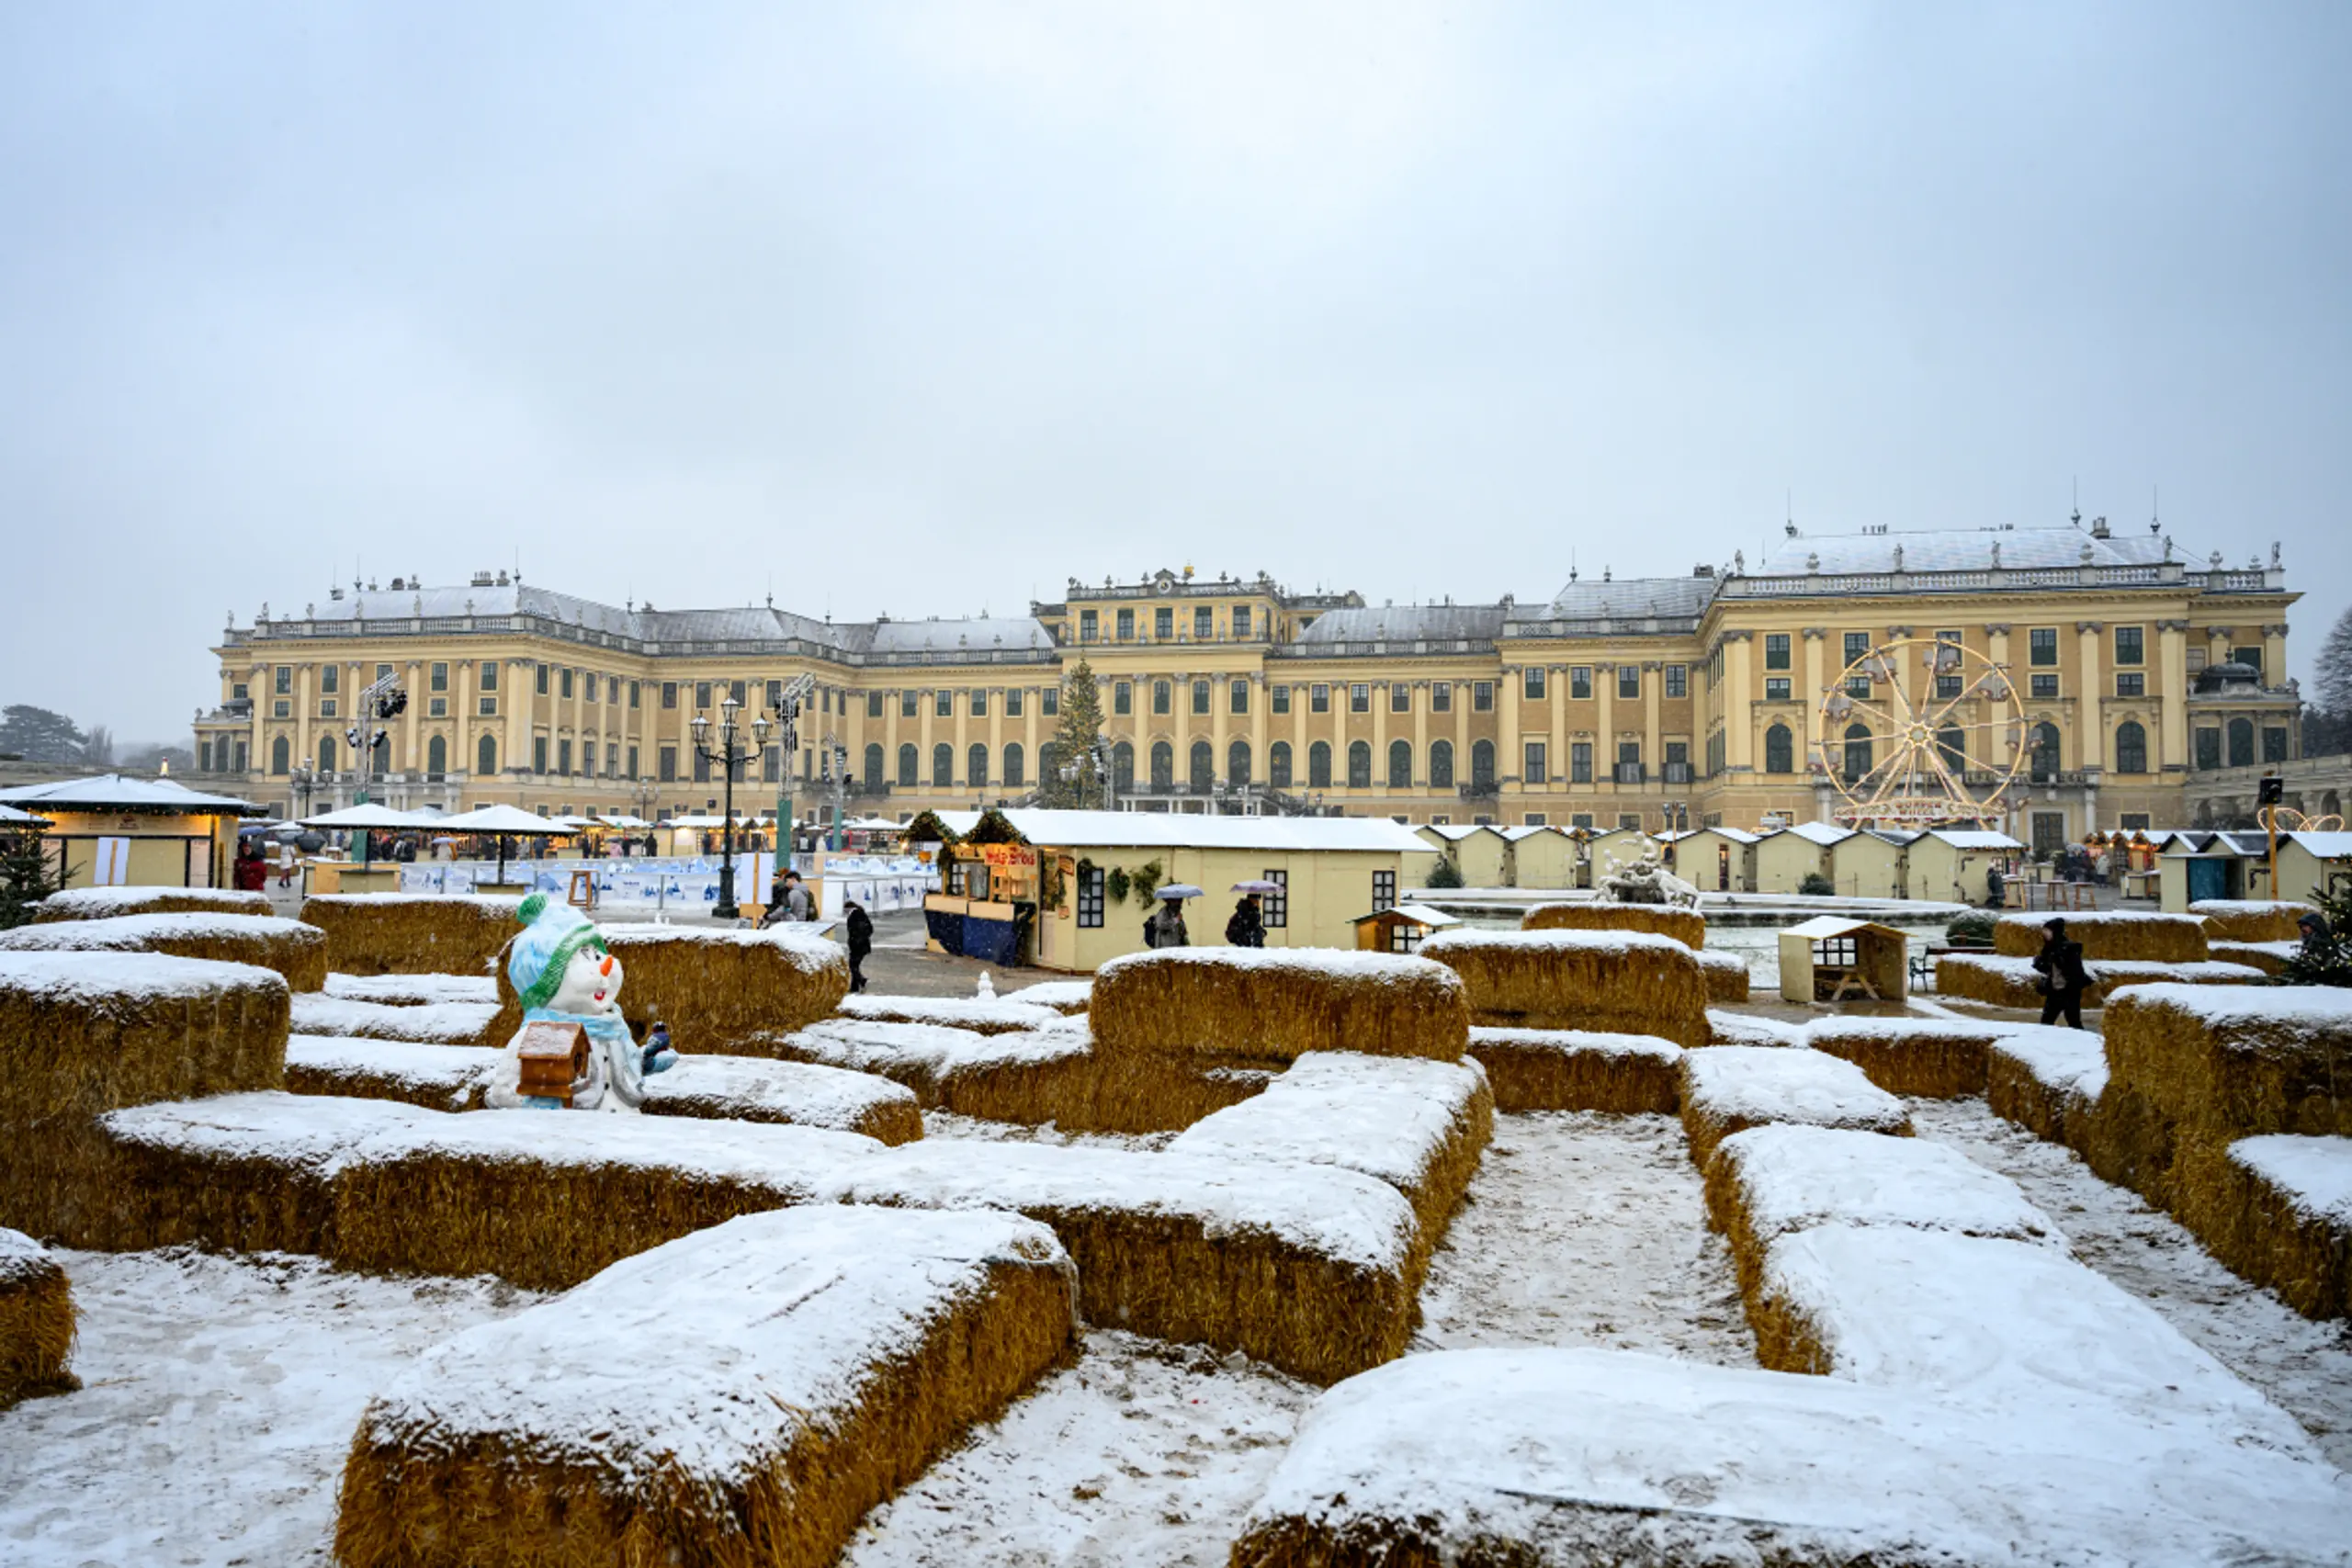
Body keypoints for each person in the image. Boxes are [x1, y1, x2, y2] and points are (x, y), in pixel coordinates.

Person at [2032, 916, 2090, 1030]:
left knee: (2074, 1022)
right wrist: (2039, 963)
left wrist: (2058, 960)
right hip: (2054, 991)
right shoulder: (2048, 948)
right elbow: (2048, 969)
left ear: (2055, 932)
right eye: (2044, 932)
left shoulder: (2069, 949)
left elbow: (2076, 972)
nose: (2045, 935)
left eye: (2048, 932)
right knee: (2046, 1021)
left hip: (2069, 992)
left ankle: (2082, 1043)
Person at [844, 898, 874, 992]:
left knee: (853, 966)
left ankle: (861, 980)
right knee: (854, 966)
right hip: (861, 945)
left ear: (849, 908)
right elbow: (869, 929)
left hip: (858, 946)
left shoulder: (856, 915)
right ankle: (854, 987)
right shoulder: (859, 914)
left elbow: (859, 930)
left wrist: (857, 941)